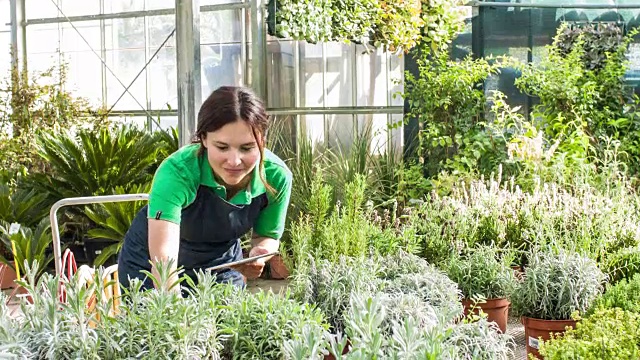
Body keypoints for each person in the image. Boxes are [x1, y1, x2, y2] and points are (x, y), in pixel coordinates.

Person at [117, 86, 292, 291]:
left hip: (221, 266)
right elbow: (163, 261)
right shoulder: (178, 172)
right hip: (149, 265)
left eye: (247, 148)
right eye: (222, 147)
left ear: (262, 141)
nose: (234, 161)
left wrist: (261, 252)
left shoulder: (276, 176)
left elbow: (268, 235)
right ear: (204, 139)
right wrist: (174, 316)